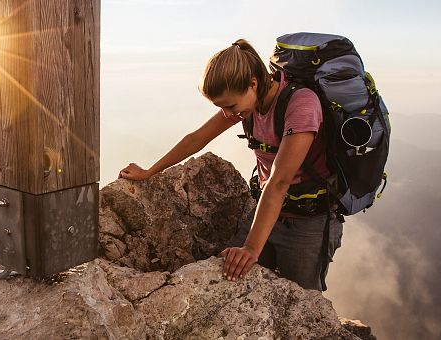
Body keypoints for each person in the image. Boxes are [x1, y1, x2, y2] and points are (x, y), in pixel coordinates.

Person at [118, 39, 342, 291]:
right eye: (221, 107)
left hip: (308, 222)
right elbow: (197, 138)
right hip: (268, 210)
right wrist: (150, 171)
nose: (227, 114)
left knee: (303, 304)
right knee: (228, 276)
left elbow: (280, 180)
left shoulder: (301, 104)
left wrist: (250, 248)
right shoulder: (248, 104)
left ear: (253, 83)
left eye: (230, 105)